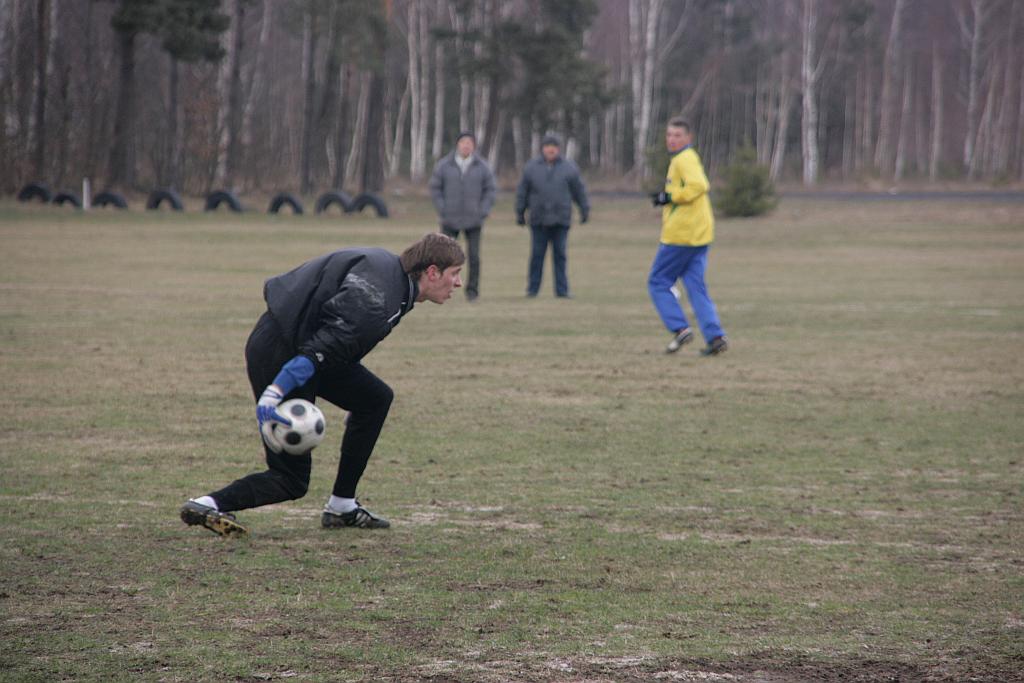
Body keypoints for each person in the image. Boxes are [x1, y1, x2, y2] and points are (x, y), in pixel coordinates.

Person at [180, 233, 465, 536]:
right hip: (283, 354)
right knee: (290, 480)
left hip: (295, 340)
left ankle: (342, 506)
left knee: (374, 398)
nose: (458, 283)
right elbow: (314, 355)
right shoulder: (376, 303)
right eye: (454, 274)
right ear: (432, 272)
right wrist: (273, 394)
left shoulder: (387, 269)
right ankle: (208, 503)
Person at [648, 118, 728, 356]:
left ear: (688, 138)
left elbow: (699, 186)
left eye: (677, 135)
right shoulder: (683, 159)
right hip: (699, 235)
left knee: (658, 282)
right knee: (696, 287)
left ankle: (679, 328)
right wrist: (668, 196)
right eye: (669, 135)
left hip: (682, 236)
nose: (672, 139)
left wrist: (670, 197)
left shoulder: (685, 158)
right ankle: (715, 337)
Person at [514, 134, 590, 298]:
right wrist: (520, 212)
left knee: (560, 256)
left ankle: (562, 291)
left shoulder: (569, 168)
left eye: (553, 146)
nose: (550, 149)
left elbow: (579, 191)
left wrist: (584, 209)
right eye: (548, 146)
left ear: (558, 149)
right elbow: (522, 192)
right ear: (542, 148)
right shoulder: (531, 167)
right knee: (536, 256)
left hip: (561, 219)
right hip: (538, 220)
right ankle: (532, 290)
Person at [428, 132, 496, 302]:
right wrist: (443, 209)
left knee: (474, 257)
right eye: (463, 142)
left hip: (474, 220)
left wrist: (483, 210)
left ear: (473, 146)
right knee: (444, 257)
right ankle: (441, 290)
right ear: (458, 144)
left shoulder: (482, 166)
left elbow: (490, 190)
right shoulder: (444, 165)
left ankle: (472, 292)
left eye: (470, 143)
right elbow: (435, 188)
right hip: (450, 219)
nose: (466, 145)